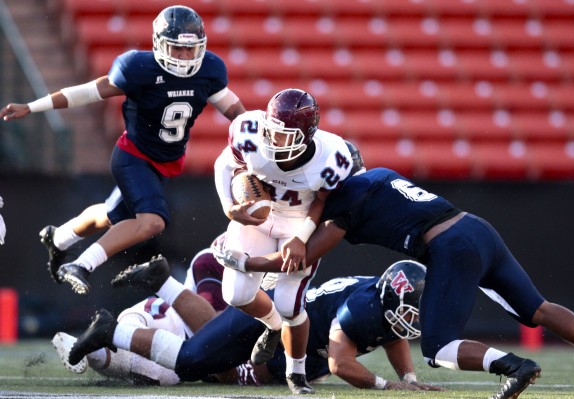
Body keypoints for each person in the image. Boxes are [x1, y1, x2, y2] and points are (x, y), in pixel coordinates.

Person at [213, 144, 574, 399]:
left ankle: (515, 367)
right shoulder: (379, 175)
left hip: (449, 245)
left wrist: (244, 261)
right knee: (536, 307)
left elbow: (300, 257)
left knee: (437, 348)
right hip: (476, 227)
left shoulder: (346, 198)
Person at [0, 5, 246, 295]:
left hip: (163, 163)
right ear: (159, 44)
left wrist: (257, 135)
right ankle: (81, 265)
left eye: (189, 50)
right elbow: (89, 91)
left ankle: (59, 239)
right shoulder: (138, 68)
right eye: (175, 49)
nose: (183, 57)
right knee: (152, 222)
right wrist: (32, 106)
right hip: (133, 157)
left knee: (110, 215)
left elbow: (235, 111)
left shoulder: (209, 70)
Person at [60, 254, 444, 392]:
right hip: (275, 328)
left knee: (215, 349)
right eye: (412, 306)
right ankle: (112, 331)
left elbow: (393, 334)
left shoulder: (378, 301)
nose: (414, 316)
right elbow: (339, 364)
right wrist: (386, 385)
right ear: (389, 296)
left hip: (286, 331)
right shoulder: (361, 310)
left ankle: (162, 281)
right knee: (193, 363)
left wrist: (409, 379)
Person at [212, 88, 353, 393]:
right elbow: (224, 165)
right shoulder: (250, 132)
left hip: (299, 222)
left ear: (307, 136)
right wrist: (228, 205)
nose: (274, 140)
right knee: (235, 293)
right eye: (272, 131)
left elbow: (324, 203)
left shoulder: (332, 154)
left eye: (284, 135)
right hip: (260, 217)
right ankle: (274, 326)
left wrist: (302, 238)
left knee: (290, 304)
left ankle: (296, 373)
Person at [52, 234, 229, 385]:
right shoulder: (217, 258)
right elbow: (215, 332)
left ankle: (89, 348)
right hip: (170, 321)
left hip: (185, 337)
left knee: (153, 372)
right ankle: (100, 340)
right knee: (162, 371)